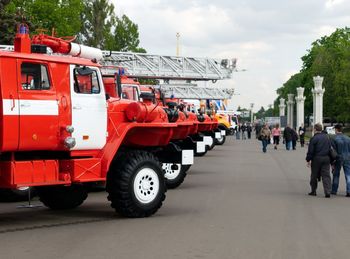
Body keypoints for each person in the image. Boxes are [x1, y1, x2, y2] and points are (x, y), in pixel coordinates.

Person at [306, 123, 332, 198]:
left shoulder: (314, 138)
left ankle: (313, 191)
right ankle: (327, 191)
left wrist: (308, 159)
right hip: (326, 158)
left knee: (314, 175)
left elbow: (311, 151)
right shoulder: (327, 137)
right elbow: (330, 148)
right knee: (326, 175)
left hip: (316, 158)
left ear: (315, 129)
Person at [331, 124, 350, 196]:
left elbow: (333, 151)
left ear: (336, 129)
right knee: (348, 175)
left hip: (338, 158)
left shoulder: (334, 138)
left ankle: (334, 190)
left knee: (336, 174)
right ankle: (349, 191)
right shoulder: (348, 138)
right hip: (348, 158)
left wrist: (332, 162)